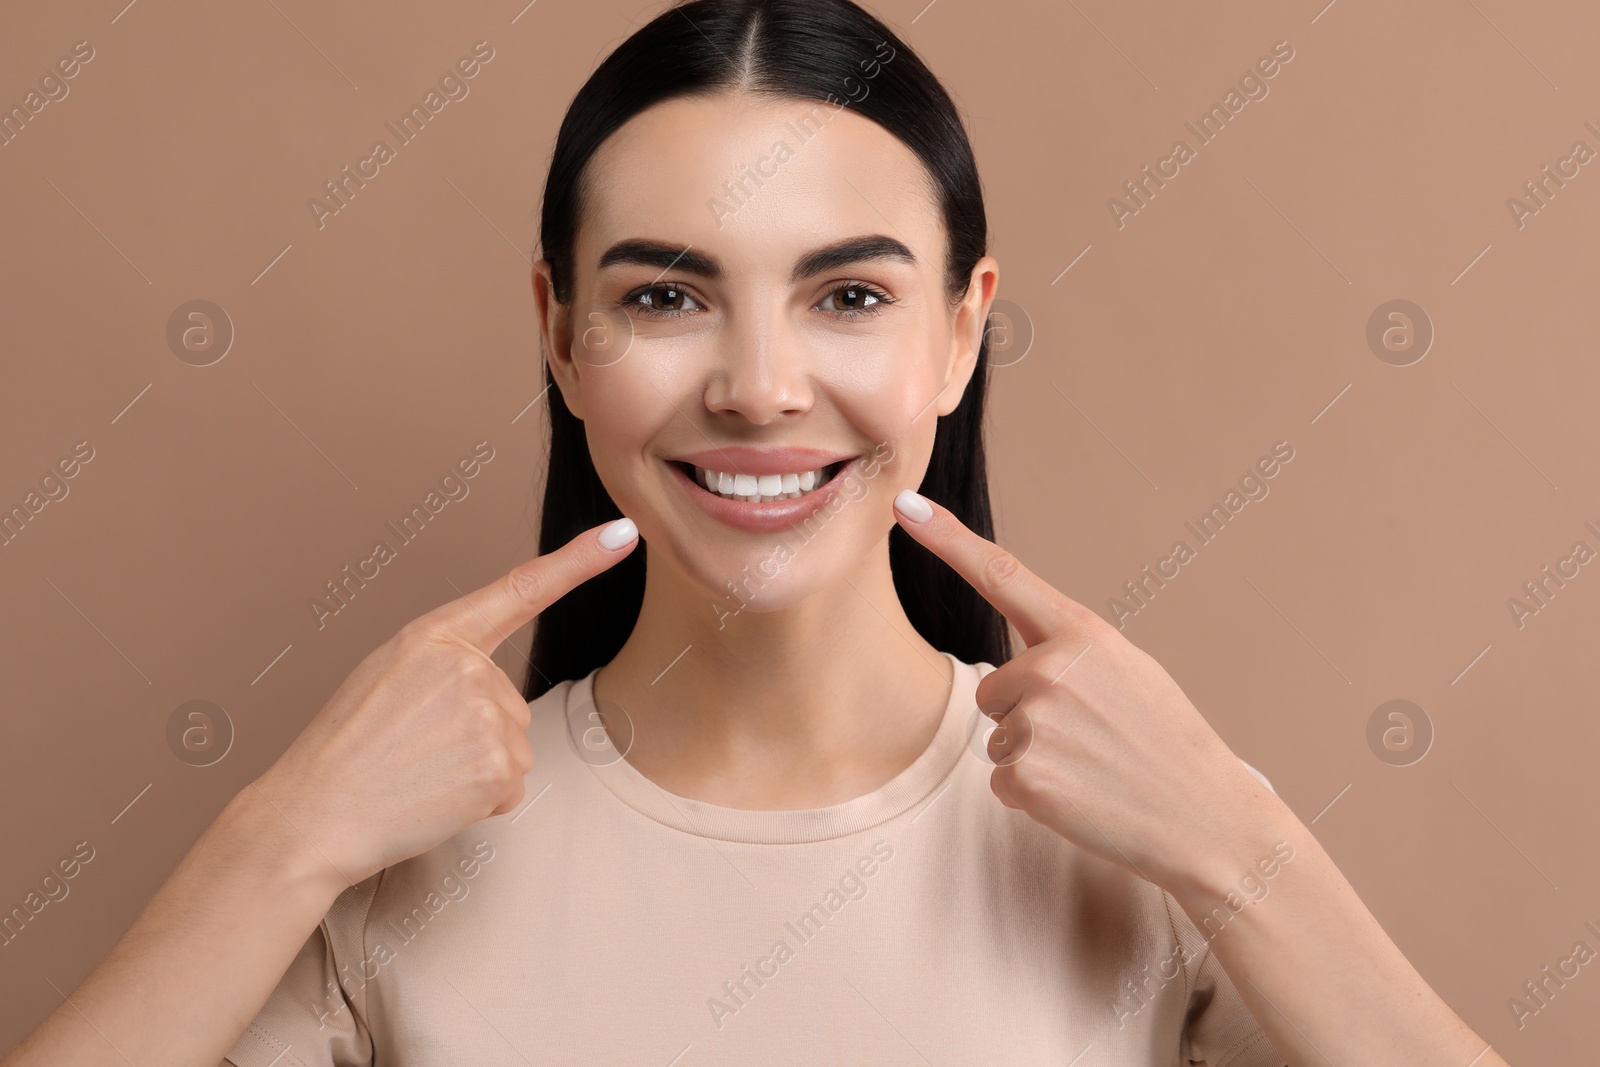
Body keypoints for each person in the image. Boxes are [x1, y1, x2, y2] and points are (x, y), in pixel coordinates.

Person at [3, 1, 1508, 1064]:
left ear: (964, 333)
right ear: (559, 328)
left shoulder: (1155, 828)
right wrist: (280, 838)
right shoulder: (382, 856)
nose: (760, 387)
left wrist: (1245, 851)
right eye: (665, 295)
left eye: (849, 296)